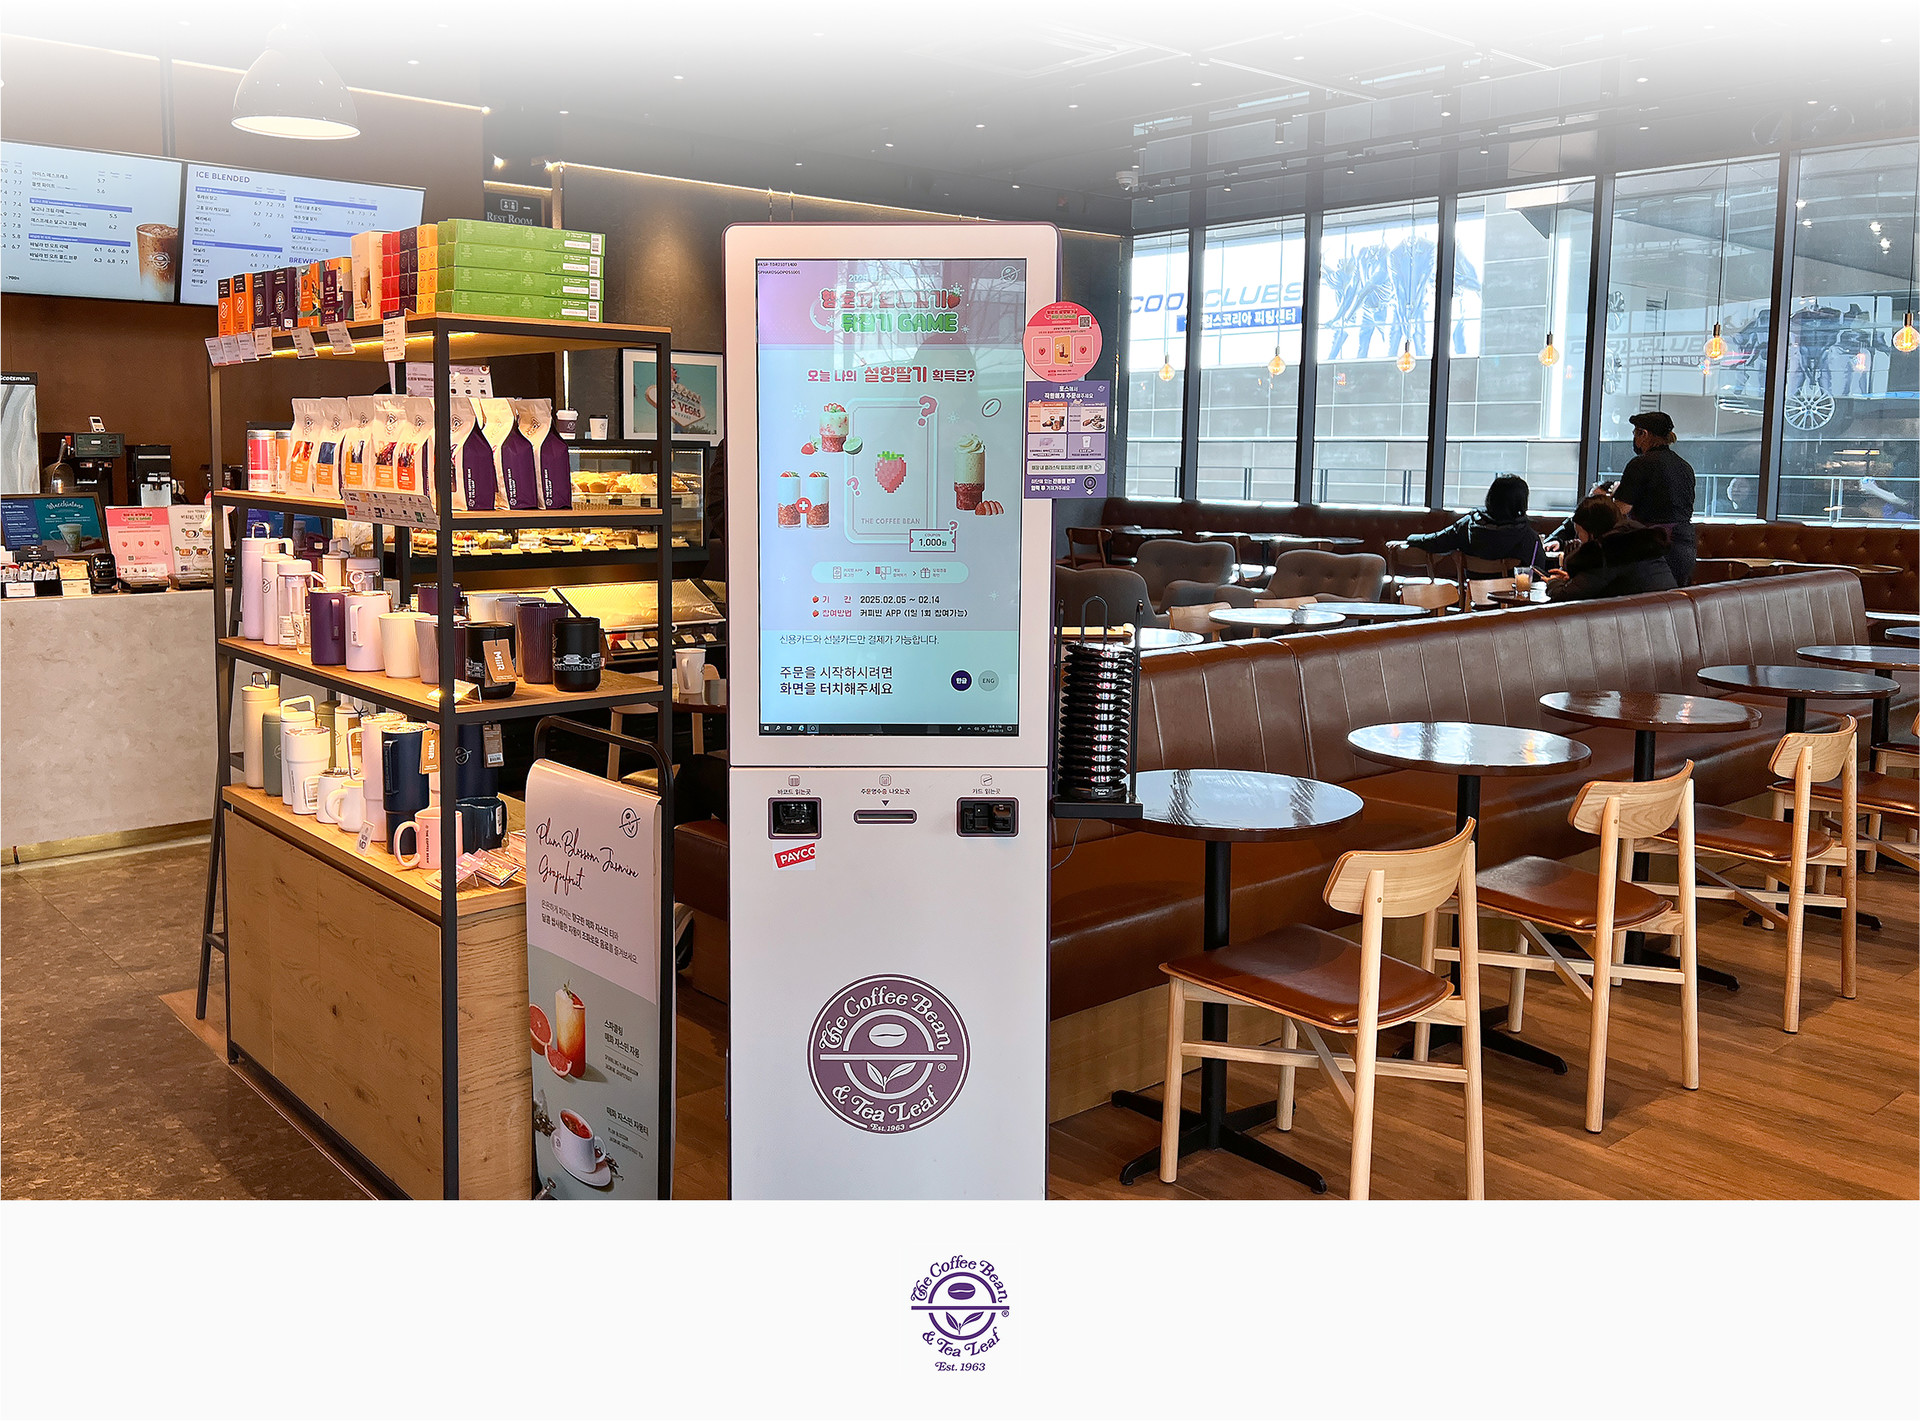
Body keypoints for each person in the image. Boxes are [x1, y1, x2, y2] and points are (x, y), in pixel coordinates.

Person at [1391, 473, 1544, 570]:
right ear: (1521, 502)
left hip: (1472, 600)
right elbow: (1539, 574)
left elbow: (1437, 541)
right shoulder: (1528, 537)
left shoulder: (1469, 524)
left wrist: (1411, 538)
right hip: (1511, 606)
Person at [1544, 497, 1678, 602]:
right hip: (1667, 610)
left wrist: (1553, 583)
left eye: (1579, 533)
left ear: (1592, 531)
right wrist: (1573, 580)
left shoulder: (1608, 550)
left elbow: (1565, 596)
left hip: (1641, 618)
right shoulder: (1639, 538)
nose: (1578, 539)